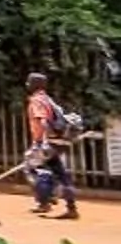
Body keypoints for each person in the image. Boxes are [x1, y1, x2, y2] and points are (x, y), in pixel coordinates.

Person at [24, 71, 82, 221]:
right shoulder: (48, 99)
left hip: (46, 142)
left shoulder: (37, 101)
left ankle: (45, 201)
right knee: (60, 173)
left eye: (29, 82)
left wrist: (41, 142)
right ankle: (71, 207)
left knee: (35, 169)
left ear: (33, 85)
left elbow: (42, 121)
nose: (27, 85)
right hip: (57, 141)